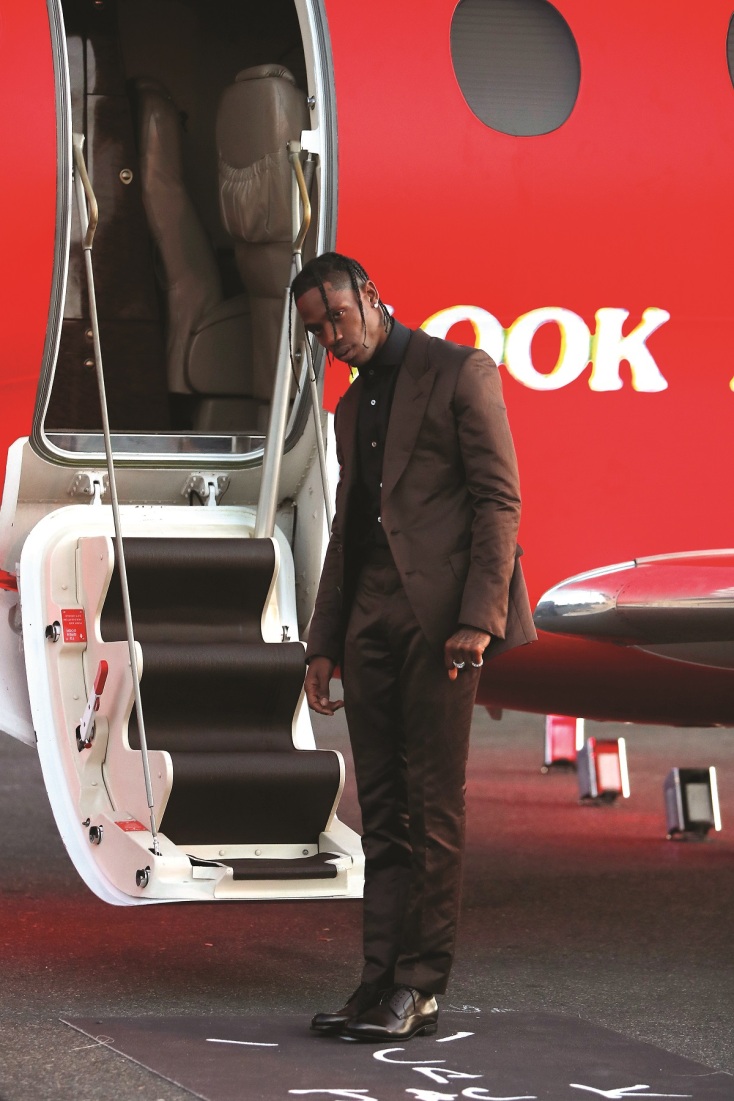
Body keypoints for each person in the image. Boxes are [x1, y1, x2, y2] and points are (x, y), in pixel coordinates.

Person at [292, 252, 536, 1041]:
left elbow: (498, 499)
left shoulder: (460, 371)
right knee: (384, 811)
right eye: (317, 331)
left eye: (337, 316)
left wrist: (479, 618)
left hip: (441, 627)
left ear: (369, 294)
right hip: (369, 622)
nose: (333, 338)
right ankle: (378, 982)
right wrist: (324, 641)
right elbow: (348, 529)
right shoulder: (349, 407)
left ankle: (420, 986)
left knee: (433, 808)